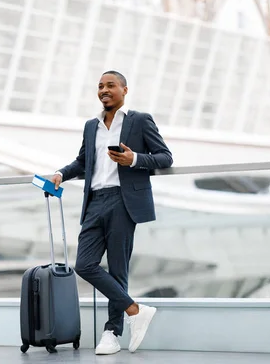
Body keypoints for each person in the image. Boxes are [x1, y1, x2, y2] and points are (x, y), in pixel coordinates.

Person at [52, 70, 173, 355]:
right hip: (94, 201)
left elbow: (165, 157)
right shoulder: (91, 125)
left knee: (118, 270)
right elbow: (84, 161)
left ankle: (112, 332)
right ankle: (135, 311)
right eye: (100, 86)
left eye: (110, 85)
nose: (104, 90)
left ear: (124, 90)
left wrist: (134, 159)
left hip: (123, 201)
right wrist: (61, 173)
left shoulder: (139, 120)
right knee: (84, 264)